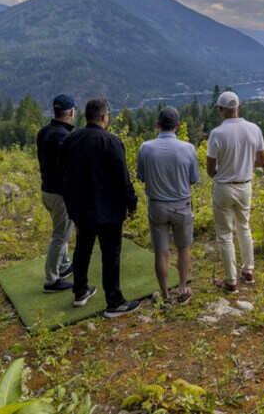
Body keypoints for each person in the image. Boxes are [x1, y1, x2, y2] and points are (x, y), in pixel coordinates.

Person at [60, 98, 141, 317]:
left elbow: (64, 176)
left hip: (81, 208)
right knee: (110, 255)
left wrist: (70, 203)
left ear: (86, 116)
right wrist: (131, 203)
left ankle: (80, 291)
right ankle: (114, 302)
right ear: (105, 117)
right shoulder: (111, 142)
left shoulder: (71, 140)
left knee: (82, 250)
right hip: (109, 210)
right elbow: (122, 178)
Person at [137, 107, 199, 305]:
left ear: (157, 124)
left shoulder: (145, 148)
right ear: (177, 126)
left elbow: (141, 177)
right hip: (182, 205)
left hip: (157, 206)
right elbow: (193, 179)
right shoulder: (188, 148)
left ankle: (164, 294)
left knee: (161, 252)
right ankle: (182, 287)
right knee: (183, 248)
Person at [206, 91, 264, 293]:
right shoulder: (254, 129)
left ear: (220, 110)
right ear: (239, 107)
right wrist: (246, 165)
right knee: (244, 227)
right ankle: (248, 270)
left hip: (224, 187)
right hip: (245, 185)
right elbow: (262, 162)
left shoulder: (217, 133)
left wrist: (221, 174)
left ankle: (230, 281)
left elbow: (210, 168)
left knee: (225, 234)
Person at [35, 94, 76, 293]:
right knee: (60, 235)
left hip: (47, 190)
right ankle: (51, 280)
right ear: (72, 112)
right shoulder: (65, 137)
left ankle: (64, 265)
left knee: (61, 230)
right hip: (61, 194)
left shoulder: (43, 132)